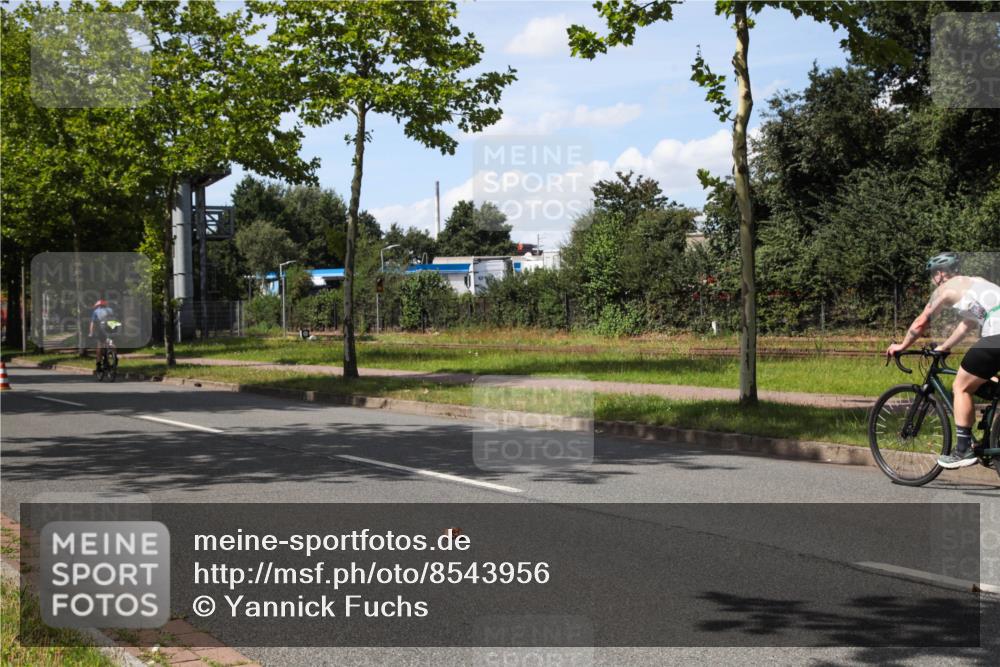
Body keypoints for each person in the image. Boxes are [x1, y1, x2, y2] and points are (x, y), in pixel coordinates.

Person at [885, 252, 1000, 469]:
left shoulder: (945, 290)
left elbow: (921, 323)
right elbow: (968, 324)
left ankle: (963, 450)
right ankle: (992, 441)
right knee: (988, 381)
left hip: (997, 334)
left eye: (931, 275)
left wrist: (902, 345)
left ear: (940, 274)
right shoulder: (977, 282)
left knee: (961, 386)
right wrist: (944, 346)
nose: (932, 280)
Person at [89, 298, 115, 372]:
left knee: (99, 345)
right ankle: (114, 357)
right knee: (112, 343)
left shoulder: (96, 311)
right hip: (111, 328)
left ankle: (98, 364)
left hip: (102, 330)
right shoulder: (110, 310)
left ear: (98, 306)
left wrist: (91, 333)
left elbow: (92, 323)